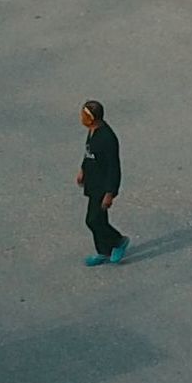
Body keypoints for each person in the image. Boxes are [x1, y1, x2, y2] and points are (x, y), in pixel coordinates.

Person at [78, 99, 126, 265]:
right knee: (100, 219)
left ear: (92, 118)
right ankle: (103, 251)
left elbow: (114, 167)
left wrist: (110, 192)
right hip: (92, 182)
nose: (81, 118)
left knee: (92, 220)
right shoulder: (92, 131)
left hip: (102, 186)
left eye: (84, 115)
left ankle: (118, 241)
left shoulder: (107, 138)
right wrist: (82, 169)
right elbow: (89, 153)